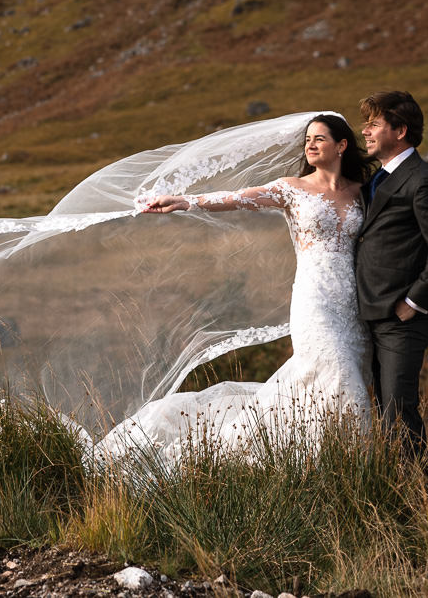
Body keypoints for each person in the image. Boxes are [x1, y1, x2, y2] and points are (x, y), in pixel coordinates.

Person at [92, 113, 375, 462]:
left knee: (335, 382)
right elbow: (240, 197)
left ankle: (316, 464)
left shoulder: (363, 192)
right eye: (307, 140)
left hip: (354, 303)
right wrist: (185, 201)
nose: (310, 145)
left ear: (342, 145)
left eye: (319, 138)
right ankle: (351, 464)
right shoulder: (292, 188)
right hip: (314, 300)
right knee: (338, 372)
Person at [355, 90, 428, 458]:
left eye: (373, 125)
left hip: (402, 317)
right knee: (382, 412)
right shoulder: (377, 178)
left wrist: (413, 302)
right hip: (372, 311)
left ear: (399, 130)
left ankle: (418, 501)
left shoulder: (422, 180)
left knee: (399, 412)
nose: (365, 132)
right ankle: (392, 495)